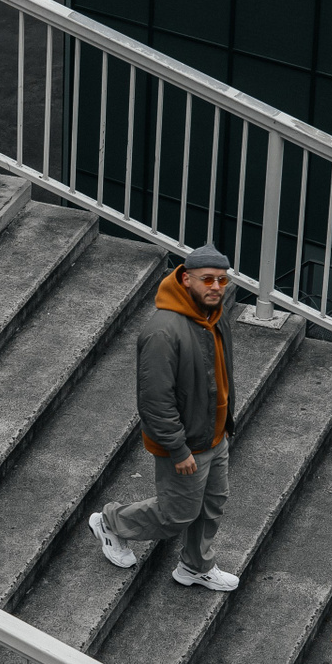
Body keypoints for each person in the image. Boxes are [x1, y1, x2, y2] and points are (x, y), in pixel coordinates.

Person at [89, 242, 241, 591]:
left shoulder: (214, 317)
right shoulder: (163, 331)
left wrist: (224, 426)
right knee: (177, 513)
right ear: (186, 279)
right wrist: (178, 448)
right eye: (207, 279)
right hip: (186, 445)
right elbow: (155, 401)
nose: (216, 287)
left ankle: (195, 566)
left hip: (215, 436)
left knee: (212, 505)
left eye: (222, 280)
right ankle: (111, 522)